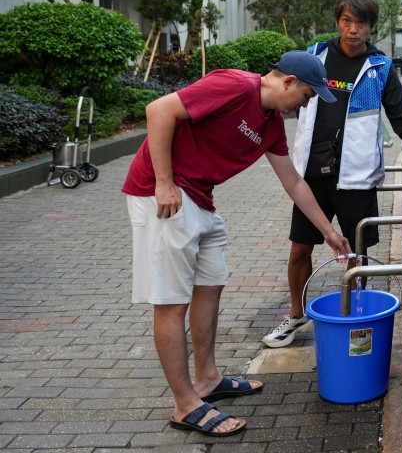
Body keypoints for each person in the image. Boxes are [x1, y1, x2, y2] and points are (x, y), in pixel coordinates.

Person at [123, 51, 354, 438]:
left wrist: (328, 232)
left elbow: (294, 182)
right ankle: (185, 404)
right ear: (288, 82)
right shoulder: (234, 85)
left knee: (211, 284)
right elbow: (159, 109)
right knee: (171, 301)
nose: (305, 105)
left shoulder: (271, 125)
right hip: (163, 194)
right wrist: (164, 182)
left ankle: (208, 378)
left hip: (200, 198)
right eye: (306, 96)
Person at [262, 0, 402, 348]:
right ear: (338, 21)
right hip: (312, 174)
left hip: (356, 177)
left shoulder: (381, 68)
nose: (353, 29)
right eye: (347, 21)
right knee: (299, 251)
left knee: (356, 257)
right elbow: (278, 92)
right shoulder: (314, 56)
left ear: (371, 26)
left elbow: (400, 119)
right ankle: (296, 316)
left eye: (362, 23)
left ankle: (356, 318)